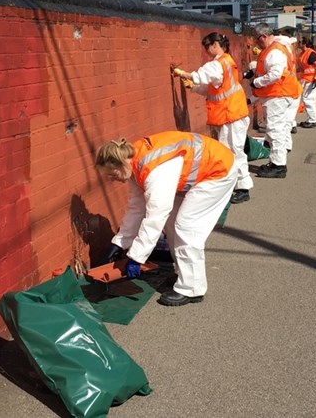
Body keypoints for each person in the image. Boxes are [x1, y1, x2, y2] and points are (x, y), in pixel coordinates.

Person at [96, 131, 238, 307]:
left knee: (187, 226)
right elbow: (136, 208)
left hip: (218, 171)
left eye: (112, 174)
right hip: (197, 174)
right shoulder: (135, 164)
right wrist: (119, 243)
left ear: (120, 163)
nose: (112, 179)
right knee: (171, 224)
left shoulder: (155, 170)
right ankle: (184, 273)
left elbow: (155, 216)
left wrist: (136, 257)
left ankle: (192, 288)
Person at [172, 32, 253, 204]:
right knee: (231, 151)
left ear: (215, 45)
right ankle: (237, 185)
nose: (207, 51)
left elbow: (201, 76)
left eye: (207, 47)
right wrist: (194, 87)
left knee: (233, 152)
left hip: (230, 114)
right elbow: (214, 88)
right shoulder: (227, 62)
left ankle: (242, 187)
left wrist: (182, 73)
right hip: (232, 113)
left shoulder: (217, 64)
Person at [246, 23, 303, 178]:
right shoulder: (279, 48)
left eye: (257, 40)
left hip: (278, 95)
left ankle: (278, 165)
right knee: (281, 129)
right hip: (283, 93)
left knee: (275, 130)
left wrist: (256, 82)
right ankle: (277, 161)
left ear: (264, 36)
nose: (256, 43)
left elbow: (275, 74)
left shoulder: (274, 52)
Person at [272, 26, 301, 136]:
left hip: (285, 87)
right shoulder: (290, 47)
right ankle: (287, 143)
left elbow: (275, 73)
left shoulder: (279, 47)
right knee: (288, 117)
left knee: (283, 121)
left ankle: (284, 146)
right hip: (292, 84)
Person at [297, 37, 316, 128]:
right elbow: (302, 68)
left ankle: (313, 120)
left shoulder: (310, 53)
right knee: (309, 98)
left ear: (304, 44)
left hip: (314, 79)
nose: (298, 43)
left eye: (299, 42)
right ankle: (311, 119)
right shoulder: (302, 54)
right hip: (308, 79)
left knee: (308, 99)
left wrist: (315, 78)